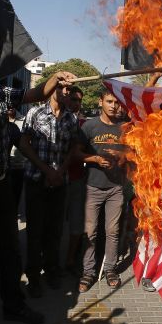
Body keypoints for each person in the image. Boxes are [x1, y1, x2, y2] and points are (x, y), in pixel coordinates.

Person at [0, 67, 76, 324]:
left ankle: (14, 305)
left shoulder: (1, 94)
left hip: (1, 186)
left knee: (9, 250)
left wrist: (56, 78)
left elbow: (35, 94)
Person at [17, 82, 81, 298]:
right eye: (61, 88)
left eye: (69, 90)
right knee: (35, 232)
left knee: (54, 232)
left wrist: (60, 171)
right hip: (37, 181)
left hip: (59, 183)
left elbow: (73, 147)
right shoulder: (35, 112)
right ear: (53, 89)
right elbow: (24, 144)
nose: (65, 92)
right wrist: (46, 171)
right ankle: (34, 277)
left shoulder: (71, 118)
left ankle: (51, 271)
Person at [77, 91, 127, 291]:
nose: (113, 106)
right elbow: (76, 153)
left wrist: (121, 156)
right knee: (90, 231)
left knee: (112, 231)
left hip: (116, 188)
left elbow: (133, 153)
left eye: (116, 102)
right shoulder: (89, 126)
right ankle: (88, 272)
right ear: (100, 102)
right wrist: (95, 159)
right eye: (109, 101)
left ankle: (110, 269)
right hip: (92, 187)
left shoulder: (124, 127)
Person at [64, 86, 88, 275]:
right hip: (55, 178)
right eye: (73, 99)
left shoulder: (84, 125)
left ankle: (71, 259)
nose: (76, 103)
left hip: (77, 179)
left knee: (76, 222)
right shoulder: (56, 120)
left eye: (79, 100)